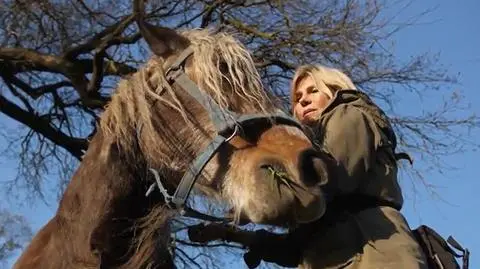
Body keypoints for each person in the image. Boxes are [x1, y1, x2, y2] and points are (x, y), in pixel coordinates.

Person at [243, 64, 429, 269]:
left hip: (374, 251)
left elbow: (332, 176)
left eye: (313, 90)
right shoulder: (310, 149)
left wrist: (263, 193)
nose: (303, 100)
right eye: (297, 98)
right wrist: (234, 235)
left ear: (335, 90)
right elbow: (298, 246)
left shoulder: (347, 113)